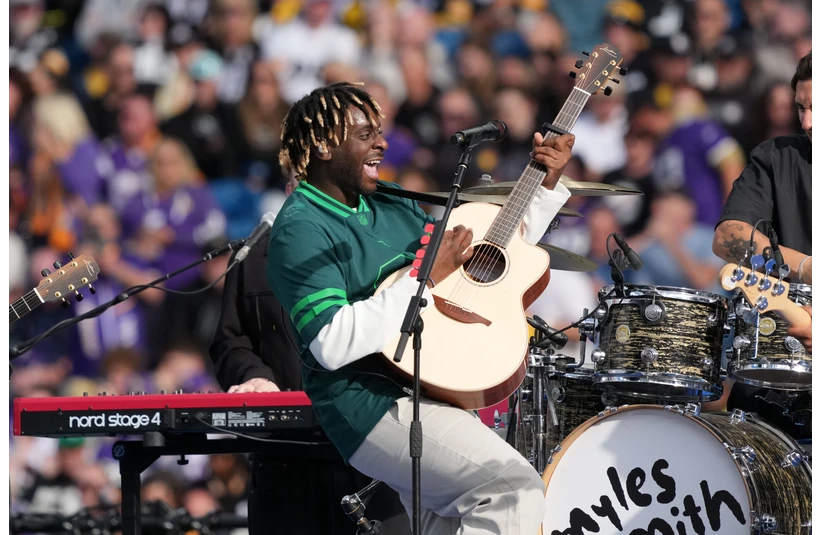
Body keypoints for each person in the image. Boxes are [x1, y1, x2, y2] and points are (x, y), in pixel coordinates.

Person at [266, 82, 574, 534]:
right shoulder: (300, 228)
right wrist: (425, 277)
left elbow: (478, 257)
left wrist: (544, 187)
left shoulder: (389, 200)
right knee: (512, 490)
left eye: (379, 131)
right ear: (322, 145)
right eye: (365, 133)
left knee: (447, 526)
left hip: (431, 388)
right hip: (370, 402)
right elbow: (331, 343)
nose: (382, 142)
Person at [209, 176, 410, 534]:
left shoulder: (383, 248)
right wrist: (253, 376)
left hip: (373, 452)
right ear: (288, 189)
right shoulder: (251, 256)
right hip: (284, 461)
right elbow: (230, 341)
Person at [707, 51, 814, 433]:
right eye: (801, 108)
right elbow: (727, 237)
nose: (808, 122)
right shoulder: (775, 157)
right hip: (775, 365)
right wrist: (807, 268)